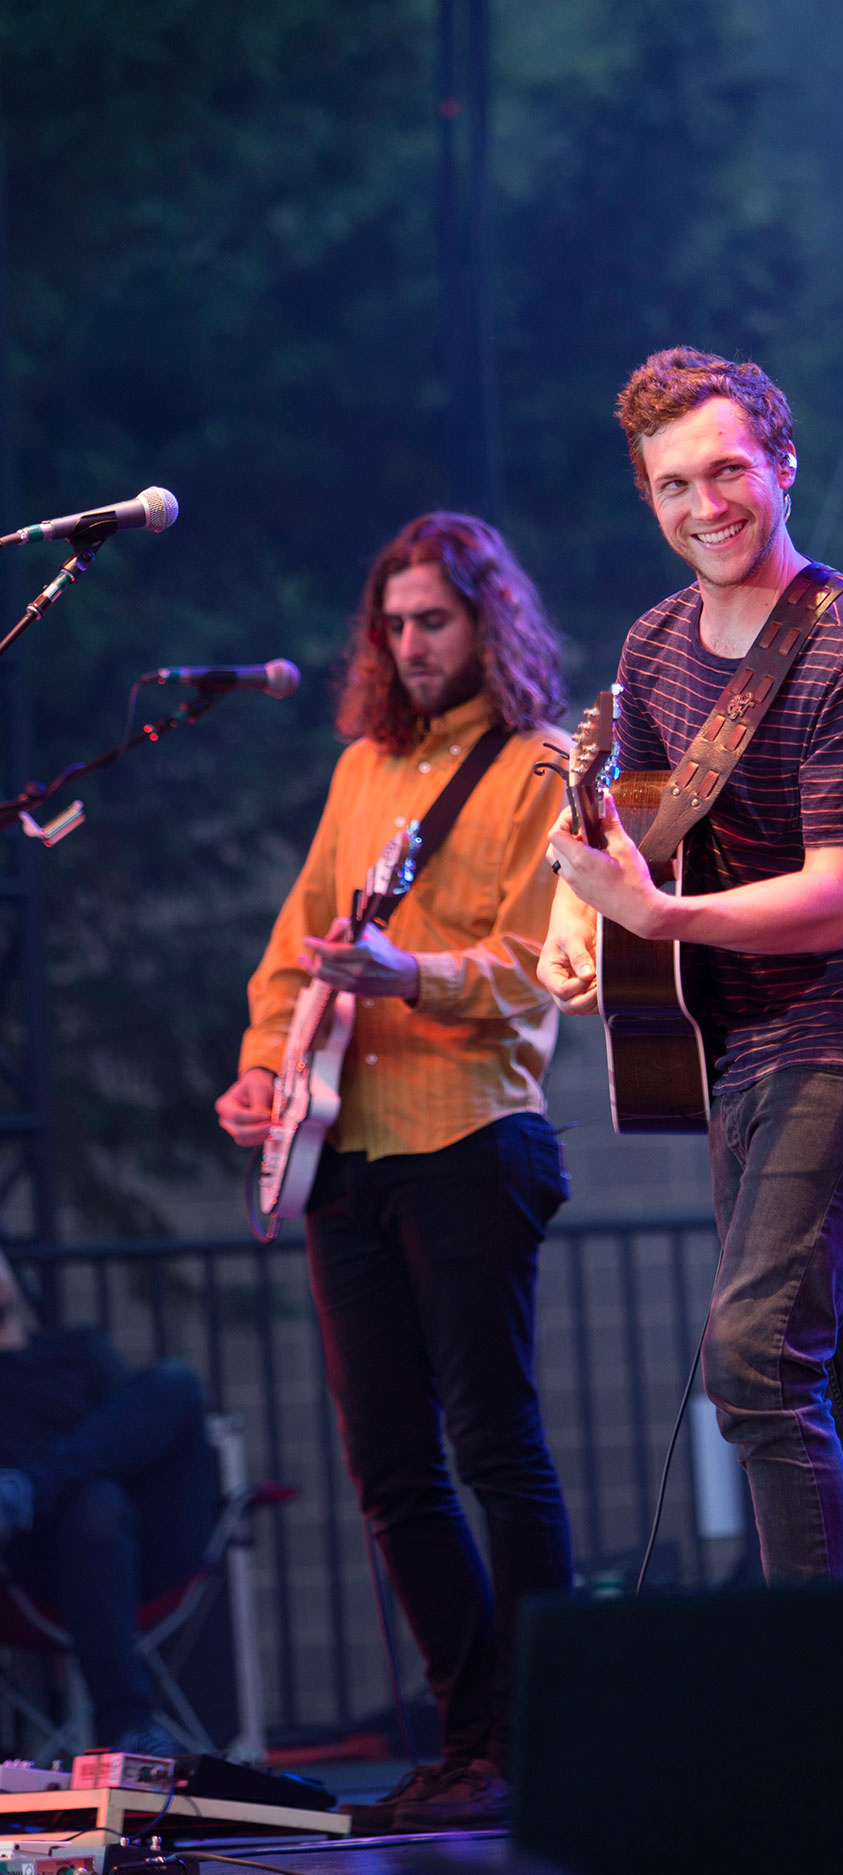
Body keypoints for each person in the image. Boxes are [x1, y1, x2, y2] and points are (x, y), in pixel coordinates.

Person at [539, 347, 843, 1588]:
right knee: (827, 1379)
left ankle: (815, 1706)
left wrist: (658, 925)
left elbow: (838, 903)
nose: (706, 505)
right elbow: (627, 828)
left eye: (728, 470)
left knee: (754, 1360)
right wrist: (585, 914)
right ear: (649, 499)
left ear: (781, 465)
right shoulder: (659, 641)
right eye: (675, 485)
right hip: (741, 1046)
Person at [216, 512, 573, 1832]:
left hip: (473, 1134)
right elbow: (293, 943)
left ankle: (549, 1729)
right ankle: (470, 1730)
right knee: (389, 1467)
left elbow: (542, 965)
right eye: (397, 623)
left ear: (488, 621)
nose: (412, 643)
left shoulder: (544, 765)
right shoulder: (365, 764)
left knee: (497, 1445)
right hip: (345, 1147)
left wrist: (407, 971)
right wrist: (264, 1066)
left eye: (435, 619)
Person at [0, 1251, 212, 1754]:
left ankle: (27, 1489)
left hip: (145, 1549)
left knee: (175, 1381)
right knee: (92, 1503)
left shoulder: (78, 1349)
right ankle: (126, 1726)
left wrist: (37, 1480)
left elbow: (132, 1444)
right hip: (41, 1567)